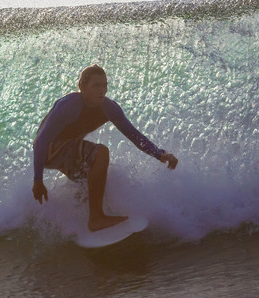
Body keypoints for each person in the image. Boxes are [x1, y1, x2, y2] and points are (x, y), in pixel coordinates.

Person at [32, 64, 178, 232]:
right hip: (48, 151)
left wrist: (160, 154)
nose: (101, 91)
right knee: (100, 153)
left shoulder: (109, 108)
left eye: (104, 85)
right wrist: (38, 180)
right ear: (82, 87)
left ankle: (75, 221)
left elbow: (134, 135)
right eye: (96, 85)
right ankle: (96, 218)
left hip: (67, 153)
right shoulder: (69, 105)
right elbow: (40, 141)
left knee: (95, 179)